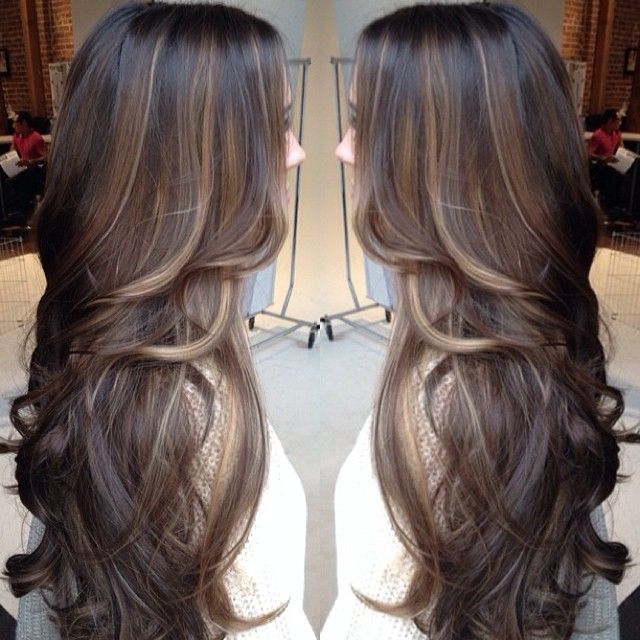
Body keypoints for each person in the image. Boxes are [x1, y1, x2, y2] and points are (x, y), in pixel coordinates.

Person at [325, 3, 638, 639]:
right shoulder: (531, 359)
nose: (341, 148)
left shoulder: (441, 420)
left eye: (362, 123)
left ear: (437, 163)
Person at [1, 3, 313, 639]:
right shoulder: (197, 429)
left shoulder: (107, 363)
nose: (298, 152)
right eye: (278, 126)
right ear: (198, 167)